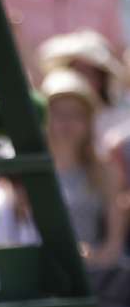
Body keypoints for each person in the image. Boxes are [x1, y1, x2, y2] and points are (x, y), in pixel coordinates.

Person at [42, 68, 126, 267]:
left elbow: (113, 247)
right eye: (58, 113)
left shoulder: (106, 171)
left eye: (76, 114)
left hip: (92, 277)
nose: (67, 123)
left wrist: (92, 258)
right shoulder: (27, 171)